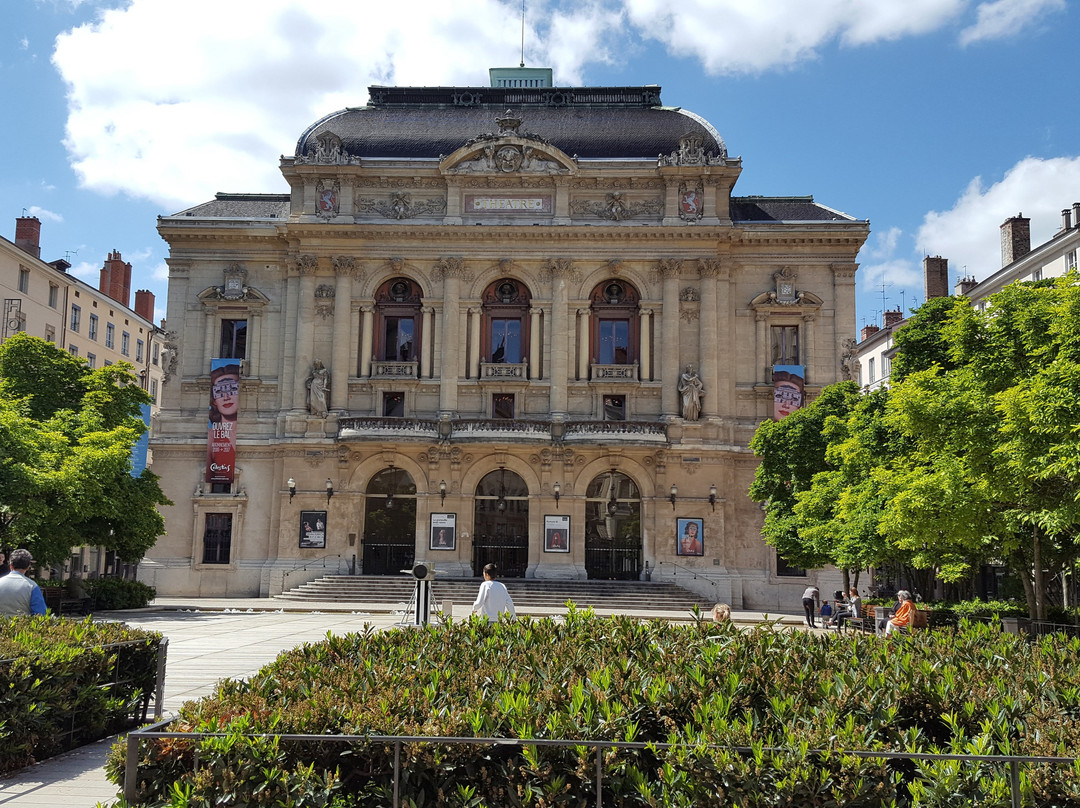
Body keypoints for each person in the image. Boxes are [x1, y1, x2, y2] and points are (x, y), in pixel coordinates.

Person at [0, 549, 47, 616]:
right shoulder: (32, 586)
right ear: (27, 567)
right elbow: (40, 614)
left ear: (10, 565)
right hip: (22, 622)